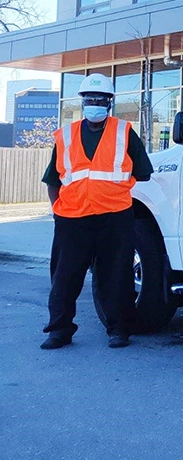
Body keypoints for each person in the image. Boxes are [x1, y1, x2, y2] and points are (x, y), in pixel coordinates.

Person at [40, 73, 153, 350]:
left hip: (114, 217)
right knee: (65, 276)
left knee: (116, 276)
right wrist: (58, 211)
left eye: (100, 99)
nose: (94, 103)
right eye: (90, 99)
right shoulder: (65, 136)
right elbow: (53, 180)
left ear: (109, 103)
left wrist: (111, 192)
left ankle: (119, 330)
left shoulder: (124, 132)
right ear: (82, 102)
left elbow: (143, 172)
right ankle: (59, 330)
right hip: (72, 218)